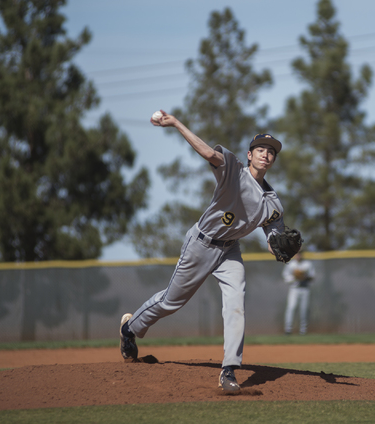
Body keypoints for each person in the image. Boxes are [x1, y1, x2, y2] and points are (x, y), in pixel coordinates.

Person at [119, 110, 286, 393]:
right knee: (172, 302)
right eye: (261, 149)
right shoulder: (233, 169)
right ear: (249, 154)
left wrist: (281, 246)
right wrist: (175, 123)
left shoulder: (273, 203)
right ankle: (130, 329)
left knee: (236, 301)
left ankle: (229, 370)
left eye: (271, 152)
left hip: (229, 250)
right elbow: (208, 152)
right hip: (201, 243)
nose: (266, 155)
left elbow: (275, 240)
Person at [282, 251, 316, 335]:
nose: (298, 256)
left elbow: (312, 276)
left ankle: (303, 330)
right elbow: (285, 277)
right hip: (294, 288)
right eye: (297, 254)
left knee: (304, 309)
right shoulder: (291, 264)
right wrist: (295, 277)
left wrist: (304, 276)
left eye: (300, 254)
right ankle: (288, 329)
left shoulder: (307, 264)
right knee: (291, 308)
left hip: (305, 288)